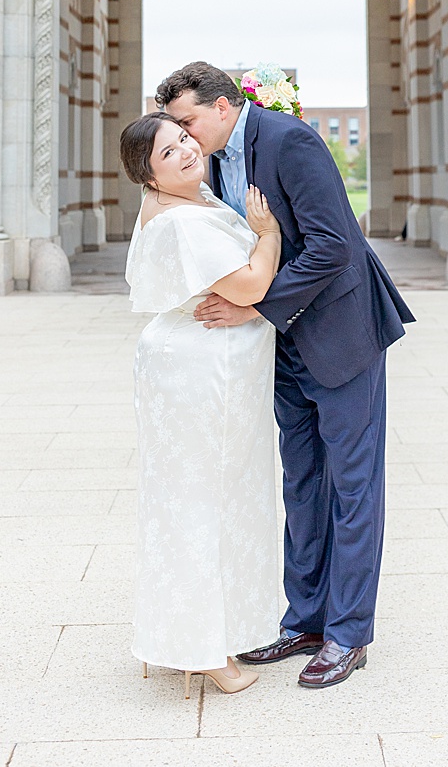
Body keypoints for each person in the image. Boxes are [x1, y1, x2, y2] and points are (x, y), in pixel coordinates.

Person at [158, 62, 415, 690]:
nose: (185, 138)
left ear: (223, 106)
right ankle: (305, 619)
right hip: (281, 343)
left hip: (341, 331)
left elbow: (334, 244)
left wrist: (253, 305)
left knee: (352, 485)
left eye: (189, 122)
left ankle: (349, 632)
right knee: (301, 479)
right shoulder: (213, 159)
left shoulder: (290, 141)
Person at [121, 112, 284, 697]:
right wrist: (268, 234)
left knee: (204, 497)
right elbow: (246, 287)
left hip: (198, 366)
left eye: (185, 138)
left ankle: (188, 636)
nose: (188, 151)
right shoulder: (184, 221)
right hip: (198, 373)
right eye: (169, 153)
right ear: (151, 177)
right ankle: (203, 650)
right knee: (203, 501)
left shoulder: (184, 203)